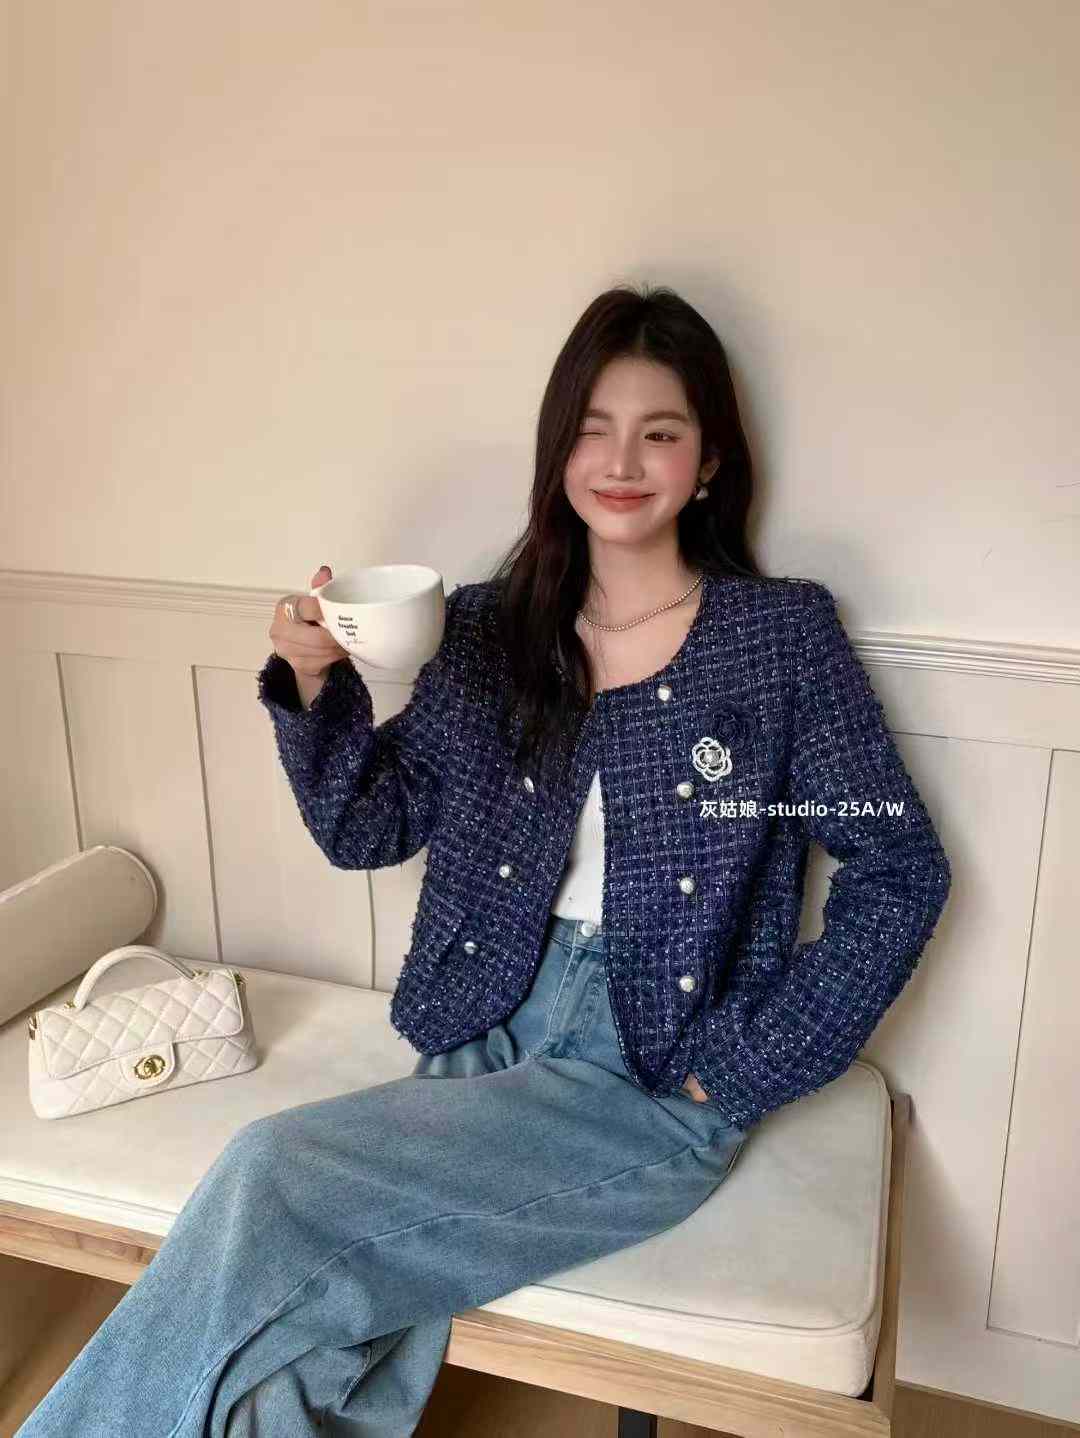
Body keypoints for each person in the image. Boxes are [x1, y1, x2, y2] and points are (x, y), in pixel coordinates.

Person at [17, 284, 951, 1436]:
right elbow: (368, 828)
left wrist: (741, 1066)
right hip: (483, 1020)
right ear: (557, 451)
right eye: (593, 429)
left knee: (270, 1170)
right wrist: (314, 682)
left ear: (709, 460)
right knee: (299, 1366)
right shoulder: (490, 628)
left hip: (650, 1068)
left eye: (660, 431)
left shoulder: (779, 639)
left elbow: (901, 871)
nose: (623, 461)